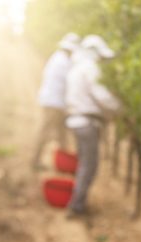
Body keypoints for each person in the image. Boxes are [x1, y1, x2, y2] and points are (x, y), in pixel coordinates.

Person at [65, 35, 120, 216]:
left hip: (75, 121)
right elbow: (101, 95)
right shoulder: (90, 68)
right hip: (87, 123)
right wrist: (120, 109)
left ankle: (76, 199)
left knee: (83, 164)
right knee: (89, 165)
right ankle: (76, 205)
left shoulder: (76, 68)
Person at [32, 32, 80, 170]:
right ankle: (35, 161)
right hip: (54, 103)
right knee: (46, 132)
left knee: (61, 134)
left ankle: (62, 164)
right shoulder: (63, 62)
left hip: (53, 101)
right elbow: (70, 84)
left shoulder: (57, 58)